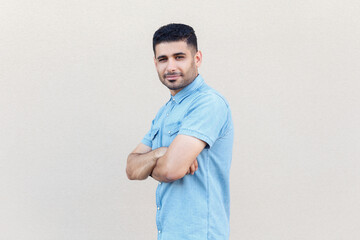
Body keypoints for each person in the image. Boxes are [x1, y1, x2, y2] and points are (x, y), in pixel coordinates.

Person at [126, 23, 234, 240]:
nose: (171, 67)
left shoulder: (208, 103)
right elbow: (131, 168)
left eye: (179, 57)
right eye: (163, 59)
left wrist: (153, 164)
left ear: (197, 59)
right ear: (155, 63)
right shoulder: (165, 111)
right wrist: (160, 153)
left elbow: (171, 171)